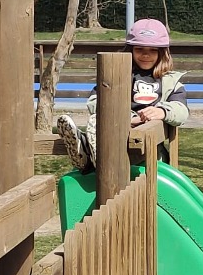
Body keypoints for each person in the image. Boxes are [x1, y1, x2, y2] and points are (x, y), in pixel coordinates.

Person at [56, 19, 188, 172]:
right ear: (130, 50)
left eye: (153, 50)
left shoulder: (170, 81)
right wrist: (127, 118)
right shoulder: (118, 74)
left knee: (121, 136)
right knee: (98, 120)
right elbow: (95, 101)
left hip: (146, 146)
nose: (146, 55)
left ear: (162, 53)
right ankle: (89, 150)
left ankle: (88, 153)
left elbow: (182, 111)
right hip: (117, 128)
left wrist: (162, 111)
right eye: (139, 49)